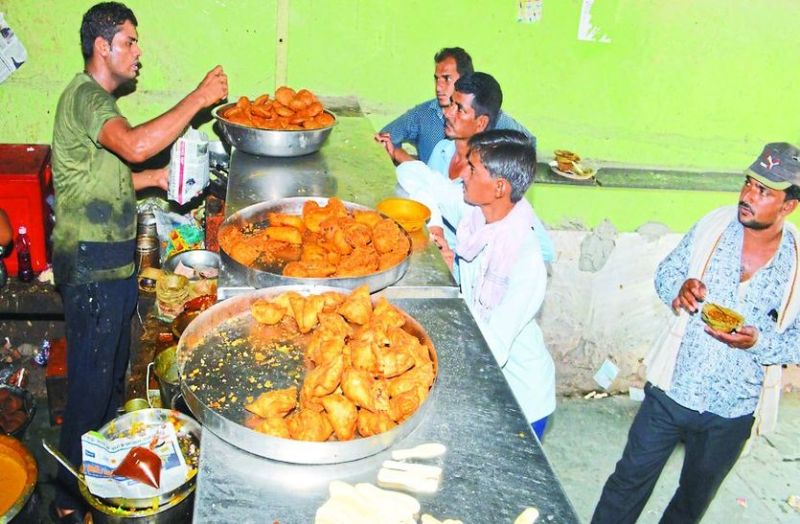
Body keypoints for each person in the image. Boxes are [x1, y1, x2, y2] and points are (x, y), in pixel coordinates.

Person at [50, 2, 228, 521]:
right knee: (90, 388)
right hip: (91, 266)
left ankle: (102, 488)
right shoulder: (87, 97)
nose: (138, 52)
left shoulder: (97, 104)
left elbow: (100, 175)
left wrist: (155, 179)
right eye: (129, 41)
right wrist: (198, 97)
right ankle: (67, 502)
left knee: (109, 384)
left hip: (111, 264)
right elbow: (133, 146)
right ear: (101, 46)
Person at [592, 142, 800, 524]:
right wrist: (680, 288)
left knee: (690, 506)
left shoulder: (797, 263)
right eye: (748, 183)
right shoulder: (713, 226)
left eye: (763, 191)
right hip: (672, 391)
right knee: (627, 484)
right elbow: (667, 274)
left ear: (788, 206)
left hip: (732, 412)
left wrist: (759, 342)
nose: (748, 196)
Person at [449, 129, 555, 440]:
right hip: (485, 384)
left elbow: (492, 347)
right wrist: (436, 229)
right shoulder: (476, 219)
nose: (463, 175)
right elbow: (420, 182)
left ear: (499, 187)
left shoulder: (524, 259)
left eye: (472, 169)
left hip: (521, 400)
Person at [387, 72, 554, 265]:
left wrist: (470, 257)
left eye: (459, 109)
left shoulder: (491, 176)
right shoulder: (442, 150)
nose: (447, 113)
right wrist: (436, 231)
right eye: (451, 103)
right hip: (434, 257)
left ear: (481, 122)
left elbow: (545, 250)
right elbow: (428, 194)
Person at [375, 47, 533, 164]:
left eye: (446, 78)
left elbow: (528, 144)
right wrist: (400, 157)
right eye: (436, 79)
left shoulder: (492, 117)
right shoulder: (425, 117)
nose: (438, 87)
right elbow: (384, 138)